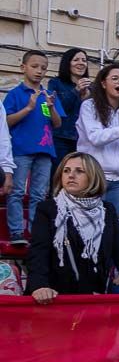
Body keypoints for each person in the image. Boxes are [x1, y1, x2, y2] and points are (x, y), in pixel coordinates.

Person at [26, 152, 119, 303]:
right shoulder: (47, 209)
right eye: (66, 170)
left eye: (79, 171)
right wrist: (39, 286)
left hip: (94, 298)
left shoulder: (107, 210)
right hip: (53, 298)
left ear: (92, 176)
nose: (71, 175)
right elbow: (38, 251)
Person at [4, 51, 62, 243]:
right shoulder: (15, 94)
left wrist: (52, 107)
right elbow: (6, 122)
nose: (39, 71)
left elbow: (57, 124)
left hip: (44, 151)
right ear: (23, 68)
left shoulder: (48, 95)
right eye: (35, 66)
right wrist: (28, 108)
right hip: (20, 150)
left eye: (43, 68)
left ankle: (36, 231)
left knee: (39, 194)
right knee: (17, 191)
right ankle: (16, 232)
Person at [76, 63, 119, 213]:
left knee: (116, 226)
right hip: (95, 176)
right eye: (115, 78)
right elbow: (96, 137)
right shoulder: (89, 106)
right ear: (103, 83)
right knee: (89, 223)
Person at [47, 47, 90, 160]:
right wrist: (76, 90)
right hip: (60, 137)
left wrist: (87, 98)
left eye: (84, 60)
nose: (81, 63)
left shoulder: (91, 88)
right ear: (67, 63)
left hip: (83, 139)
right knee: (58, 173)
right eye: (76, 60)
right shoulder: (55, 83)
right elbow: (58, 109)